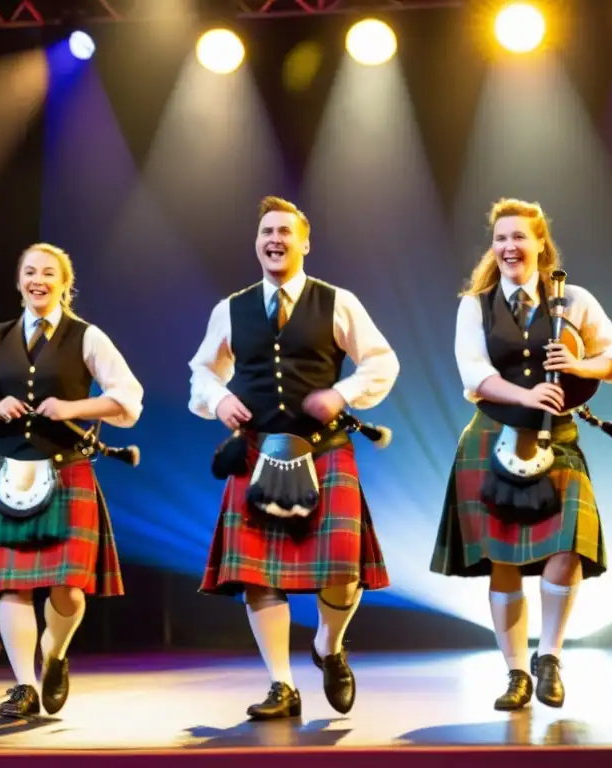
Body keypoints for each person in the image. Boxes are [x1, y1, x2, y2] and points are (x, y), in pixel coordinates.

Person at [189, 195, 399, 720]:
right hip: (258, 452)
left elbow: (381, 361)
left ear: (305, 242)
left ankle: (329, 646)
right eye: (266, 232)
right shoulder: (230, 309)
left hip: (323, 449)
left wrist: (344, 393)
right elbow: (202, 372)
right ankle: (281, 685)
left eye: (285, 231)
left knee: (343, 572)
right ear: (257, 243)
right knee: (258, 573)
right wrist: (219, 399)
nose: (275, 240)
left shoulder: (337, 302)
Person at [430, 198, 612, 711]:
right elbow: (473, 374)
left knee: (567, 548)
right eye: (500, 238)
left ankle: (550, 656)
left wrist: (580, 365)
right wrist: (525, 396)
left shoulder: (574, 301)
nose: (508, 247)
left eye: (519, 237)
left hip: (557, 439)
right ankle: (516, 673)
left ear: (540, 244)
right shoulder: (473, 305)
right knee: (502, 560)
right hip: (491, 437)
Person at [0, 242, 144, 718]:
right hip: (9, 474)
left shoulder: (87, 336)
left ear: (64, 284)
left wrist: (75, 407)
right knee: (12, 585)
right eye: (29, 272)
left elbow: (128, 401)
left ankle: (54, 656)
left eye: (48, 273)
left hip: (67, 470)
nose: (38, 279)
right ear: (19, 283)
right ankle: (23, 685)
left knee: (68, 589)